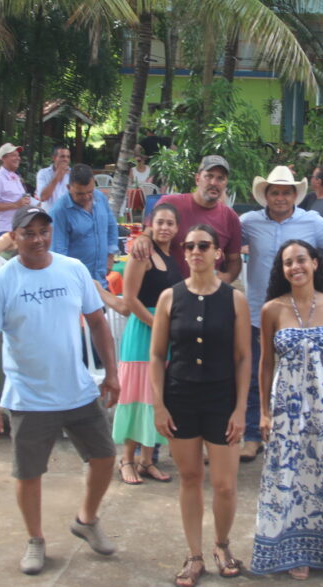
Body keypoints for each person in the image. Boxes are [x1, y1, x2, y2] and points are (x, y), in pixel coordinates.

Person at [0, 206, 121, 576]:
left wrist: (112, 375)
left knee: (104, 457)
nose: (38, 239)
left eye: (43, 231)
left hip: (78, 388)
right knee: (29, 472)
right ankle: (35, 539)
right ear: (14, 238)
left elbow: (98, 323)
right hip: (29, 396)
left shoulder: (73, 270)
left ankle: (86, 520)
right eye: (28, 233)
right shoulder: (2, 282)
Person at [251, 240, 323, 581]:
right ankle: (297, 551)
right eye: (288, 263)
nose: (295, 267)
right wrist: (263, 412)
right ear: (282, 270)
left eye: (301, 260)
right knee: (291, 477)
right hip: (287, 413)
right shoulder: (272, 309)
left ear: (315, 263)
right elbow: (265, 366)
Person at [149, 224, 251, 587]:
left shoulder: (234, 298)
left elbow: (243, 357)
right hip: (181, 398)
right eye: (189, 246)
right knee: (190, 477)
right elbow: (158, 354)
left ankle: (222, 546)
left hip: (221, 399)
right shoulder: (169, 298)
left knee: (224, 484)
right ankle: (194, 556)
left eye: (203, 245)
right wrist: (158, 405)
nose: (195, 251)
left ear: (217, 252)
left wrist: (241, 409)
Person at [237, 166, 323, 462]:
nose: (280, 197)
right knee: (257, 374)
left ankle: (305, 433)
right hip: (260, 312)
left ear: (295, 195)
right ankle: (252, 435)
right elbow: (221, 236)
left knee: (304, 377)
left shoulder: (312, 222)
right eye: (275, 192)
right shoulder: (248, 222)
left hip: (303, 318)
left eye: (286, 192)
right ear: (265, 195)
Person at [113, 202, 182, 485]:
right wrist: (158, 327)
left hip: (164, 333)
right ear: (151, 224)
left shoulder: (170, 256)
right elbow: (130, 300)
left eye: (170, 223)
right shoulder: (142, 254)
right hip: (144, 331)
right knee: (137, 395)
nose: (165, 228)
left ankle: (146, 460)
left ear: (177, 229)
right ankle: (127, 459)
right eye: (160, 222)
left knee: (157, 397)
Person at [131, 155, 242, 281]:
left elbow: (234, 259)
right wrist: (144, 238)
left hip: (206, 292)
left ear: (225, 183)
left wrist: (225, 279)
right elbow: (148, 233)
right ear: (197, 179)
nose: (214, 183)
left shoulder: (230, 217)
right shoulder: (169, 204)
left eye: (220, 178)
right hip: (168, 290)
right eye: (209, 176)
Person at [50, 164, 119, 289]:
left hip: (101, 282)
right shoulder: (59, 211)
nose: (87, 197)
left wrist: (110, 256)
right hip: (75, 286)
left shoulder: (100, 198)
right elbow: (58, 255)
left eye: (90, 191)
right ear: (69, 188)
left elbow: (111, 226)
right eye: (80, 194)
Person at [0, 142, 30, 239]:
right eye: (13, 155)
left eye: (18, 155)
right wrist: (15, 205)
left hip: (18, 229)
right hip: (4, 230)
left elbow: (21, 200)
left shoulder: (15, 177)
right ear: (3, 158)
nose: (18, 158)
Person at [36, 144, 71, 213]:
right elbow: (43, 197)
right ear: (54, 158)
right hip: (48, 217)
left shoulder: (73, 174)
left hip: (67, 217)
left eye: (68, 157)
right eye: (62, 156)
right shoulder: (43, 173)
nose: (65, 159)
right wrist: (56, 178)